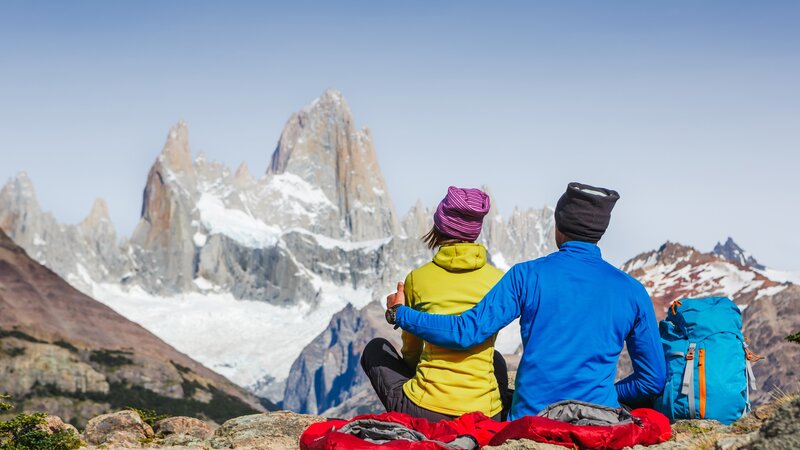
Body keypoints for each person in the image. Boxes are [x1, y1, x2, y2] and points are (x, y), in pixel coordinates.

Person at [384, 182, 666, 421]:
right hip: (598, 415)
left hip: (531, 418)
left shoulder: (526, 275)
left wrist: (401, 313)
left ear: (559, 226)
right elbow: (652, 379)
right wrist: (599, 396)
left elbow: (466, 332)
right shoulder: (632, 291)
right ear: (601, 231)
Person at [360, 186, 511, 421]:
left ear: (440, 226)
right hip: (486, 414)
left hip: (426, 411)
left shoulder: (417, 279)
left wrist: (396, 312)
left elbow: (411, 353)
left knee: (374, 348)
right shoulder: (500, 280)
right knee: (496, 358)